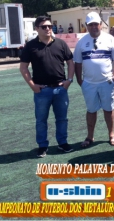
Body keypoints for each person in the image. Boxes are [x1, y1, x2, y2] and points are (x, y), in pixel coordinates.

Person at [19, 16, 75, 158]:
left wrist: (69, 80)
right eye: (44, 27)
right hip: (42, 90)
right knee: (41, 120)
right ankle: (42, 146)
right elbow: (23, 68)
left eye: (50, 26)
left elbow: (70, 62)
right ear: (37, 29)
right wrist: (32, 86)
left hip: (60, 89)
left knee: (62, 119)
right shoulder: (30, 46)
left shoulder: (61, 44)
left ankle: (62, 143)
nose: (48, 29)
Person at [74, 12, 114, 148]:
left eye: (96, 24)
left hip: (107, 82)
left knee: (108, 109)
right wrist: (80, 81)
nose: (94, 27)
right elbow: (77, 63)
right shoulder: (81, 42)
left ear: (101, 25)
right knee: (91, 110)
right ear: (87, 26)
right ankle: (90, 136)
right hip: (88, 83)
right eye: (91, 25)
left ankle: (111, 134)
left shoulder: (110, 39)